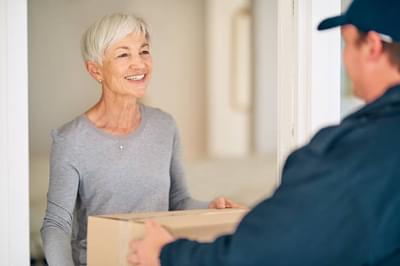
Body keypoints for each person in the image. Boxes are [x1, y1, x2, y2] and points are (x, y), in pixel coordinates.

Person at [129, 0, 400, 265]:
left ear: (372, 46)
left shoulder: (356, 151)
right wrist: (271, 216)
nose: (344, 58)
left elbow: (259, 255)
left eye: (347, 42)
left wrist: (166, 254)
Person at [40, 13, 241, 266]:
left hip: (153, 259)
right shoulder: (70, 140)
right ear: (95, 70)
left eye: (144, 51)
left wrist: (210, 207)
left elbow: (177, 201)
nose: (139, 64)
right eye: (124, 54)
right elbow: (56, 224)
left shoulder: (164, 125)